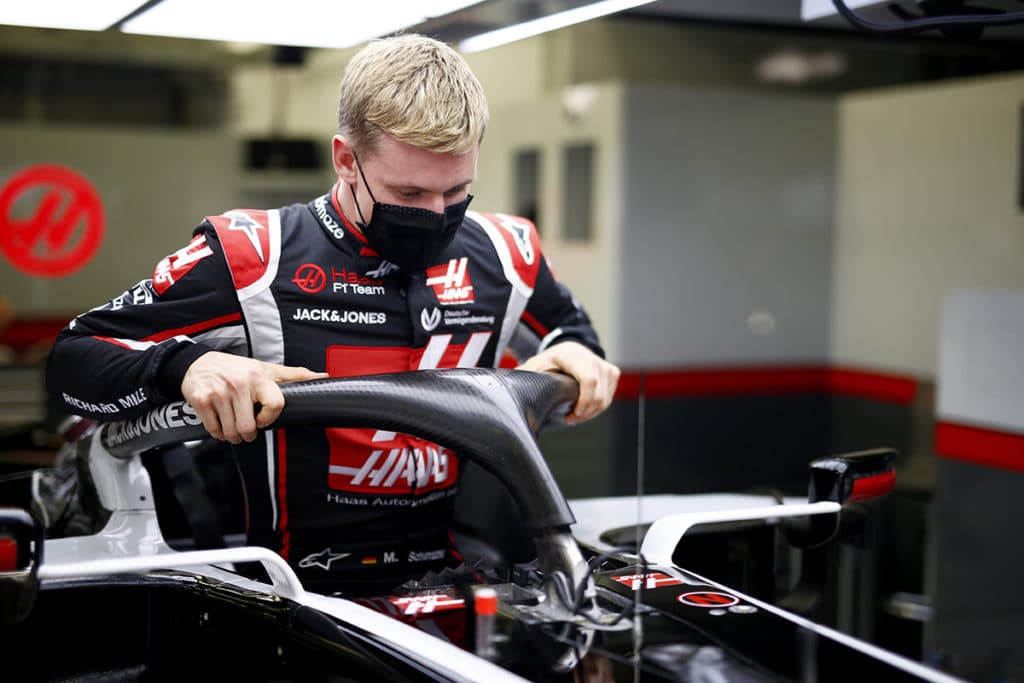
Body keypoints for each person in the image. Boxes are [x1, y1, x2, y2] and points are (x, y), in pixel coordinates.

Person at [45, 34, 619, 595]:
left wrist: (579, 354)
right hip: (280, 595)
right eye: (411, 194)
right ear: (346, 159)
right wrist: (186, 367)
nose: (438, 215)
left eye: (457, 192)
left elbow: (575, 338)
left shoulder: (505, 253)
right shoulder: (255, 254)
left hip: (441, 578)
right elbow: (74, 361)